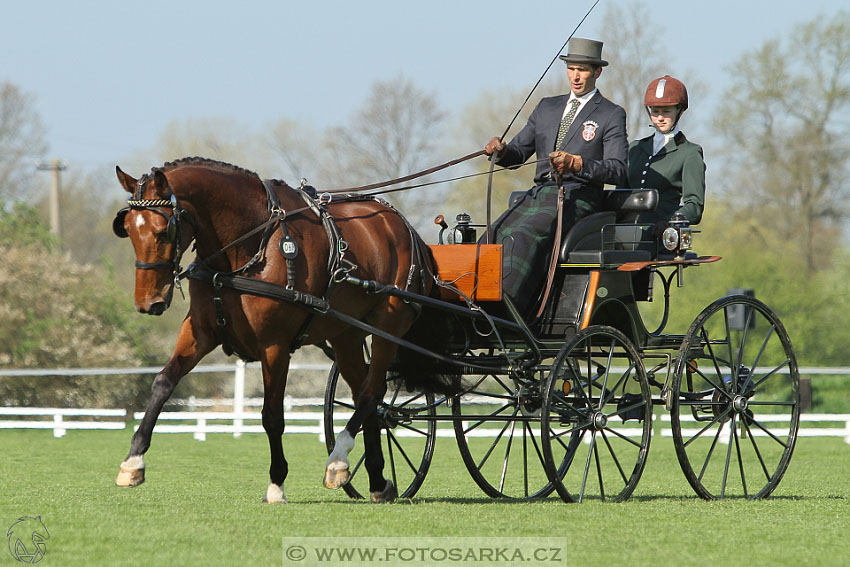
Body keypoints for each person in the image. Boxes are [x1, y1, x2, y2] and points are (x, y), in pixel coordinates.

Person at [483, 37, 628, 317]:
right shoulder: (546, 107)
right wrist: (499, 151)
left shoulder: (611, 114)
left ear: (597, 72)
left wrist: (577, 164)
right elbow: (518, 153)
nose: (576, 75)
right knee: (495, 233)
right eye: (572, 68)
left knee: (525, 234)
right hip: (539, 194)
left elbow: (618, 169)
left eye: (583, 70)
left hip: (579, 198)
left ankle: (508, 309)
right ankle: (470, 301)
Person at [628, 75, 706, 237]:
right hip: (623, 231)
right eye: (655, 111)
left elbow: (694, 206)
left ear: (680, 110)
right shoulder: (635, 148)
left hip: (659, 234)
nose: (660, 117)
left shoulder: (689, 153)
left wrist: (671, 221)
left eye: (666, 111)